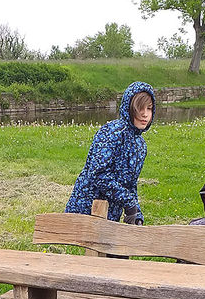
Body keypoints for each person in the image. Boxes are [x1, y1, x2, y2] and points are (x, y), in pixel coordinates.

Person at [66, 81, 155, 225]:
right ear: (129, 108)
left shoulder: (140, 146)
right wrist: (128, 202)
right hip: (88, 206)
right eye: (140, 108)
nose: (145, 114)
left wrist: (136, 212)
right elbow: (98, 173)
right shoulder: (111, 132)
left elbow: (130, 185)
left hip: (111, 213)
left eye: (149, 109)